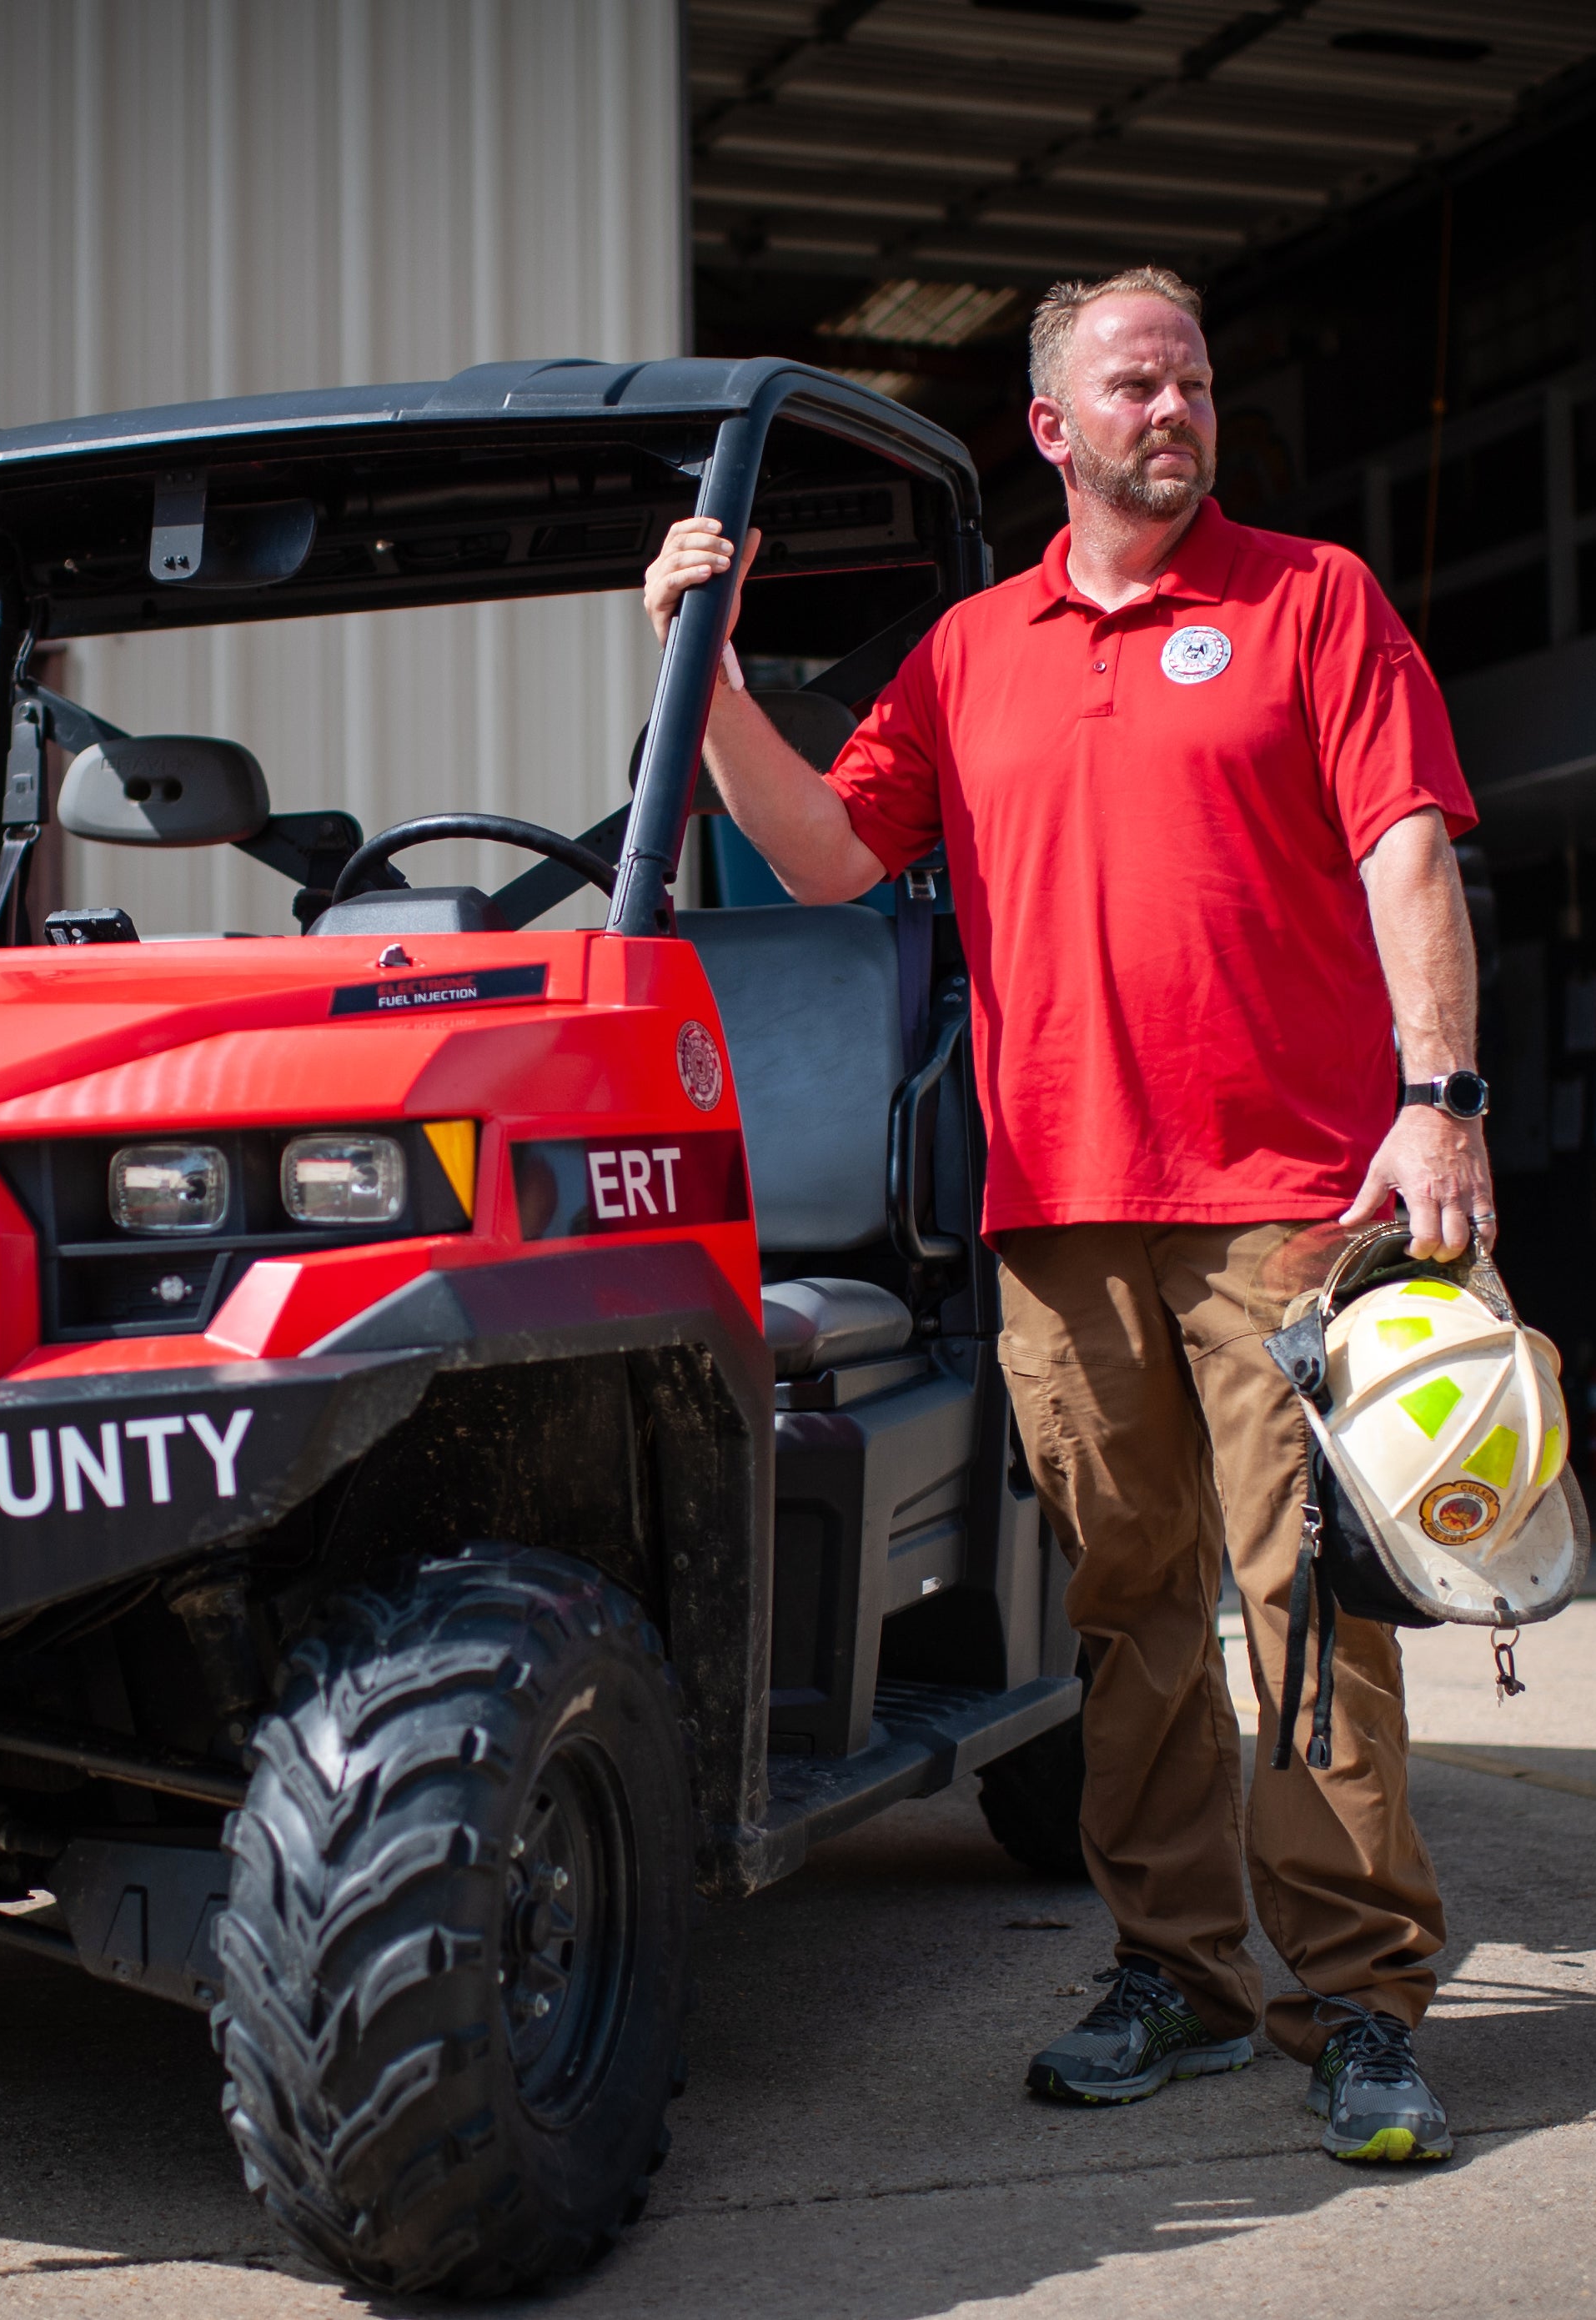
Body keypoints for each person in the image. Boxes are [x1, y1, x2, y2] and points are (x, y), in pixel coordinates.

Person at [640, 264, 1489, 2162]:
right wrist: (703, 670)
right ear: (1056, 428)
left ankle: (1356, 1997)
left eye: (1189, 379)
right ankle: (1178, 1977)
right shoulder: (967, 653)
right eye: (1134, 383)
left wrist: (1441, 1101)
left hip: (1290, 1203)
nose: (1172, 409)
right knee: (1131, 1613)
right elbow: (825, 852)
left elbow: (1407, 849)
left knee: (1317, 1603)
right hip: (1062, 1214)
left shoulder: (1315, 601)